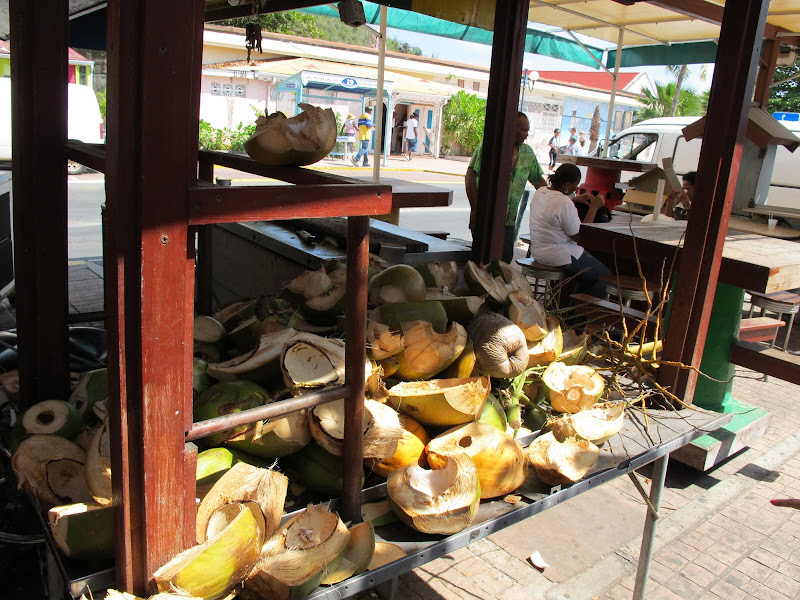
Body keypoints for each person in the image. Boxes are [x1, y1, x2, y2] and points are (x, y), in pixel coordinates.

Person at [466, 111, 547, 262]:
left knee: (504, 260)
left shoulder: (528, 153)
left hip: (509, 222)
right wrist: (475, 210)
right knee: (482, 259)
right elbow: (471, 176)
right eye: (523, 130)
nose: (526, 134)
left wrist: (558, 200)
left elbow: (538, 181)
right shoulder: (489, 146)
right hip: (485, 217)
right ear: (511, 128)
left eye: (528, 130)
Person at [529, 163, 611, 297]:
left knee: (586, 276)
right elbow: (581, 237)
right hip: (559, 254)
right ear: (567, 185)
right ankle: (579, 309)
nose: (576, 188)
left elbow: (554, 208)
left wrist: (574, 199)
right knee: (604, 276)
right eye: (576, 184)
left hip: (538, 252)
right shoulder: (564, 202)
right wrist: (594, 207)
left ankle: (573, 305)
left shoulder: (541, 192)